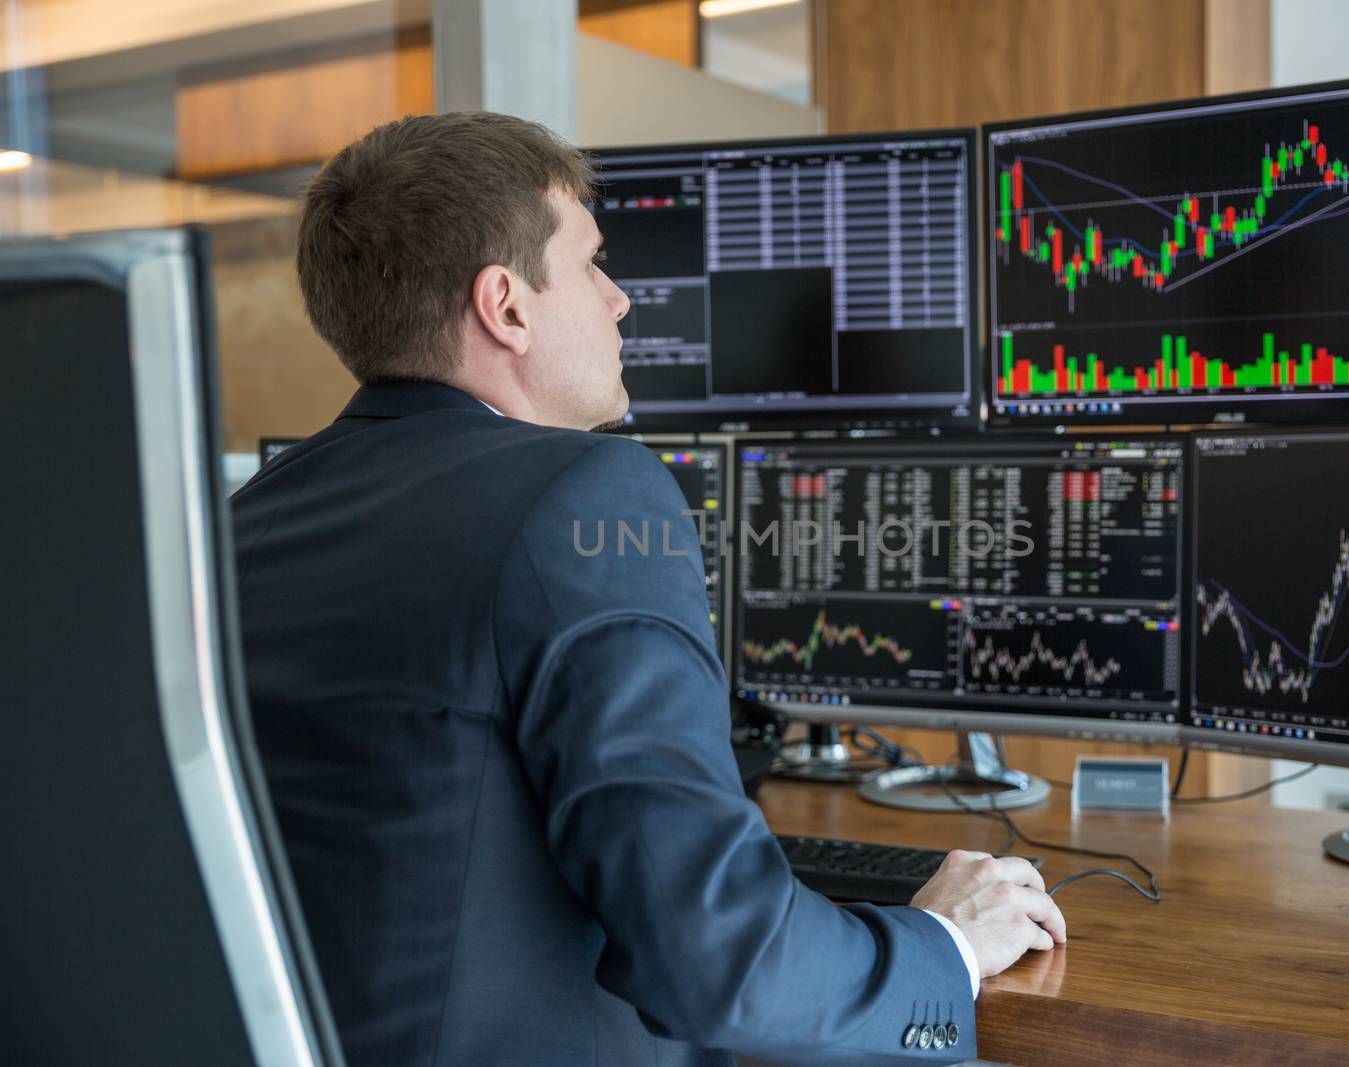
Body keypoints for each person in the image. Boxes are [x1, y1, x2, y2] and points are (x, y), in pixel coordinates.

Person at [231, 111, 1065, 1067]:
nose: (621, 300)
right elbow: (725, 965)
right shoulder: (580, 490)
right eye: (591, 264)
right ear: (506, 306)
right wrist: (945, 944)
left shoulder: (251, 516)